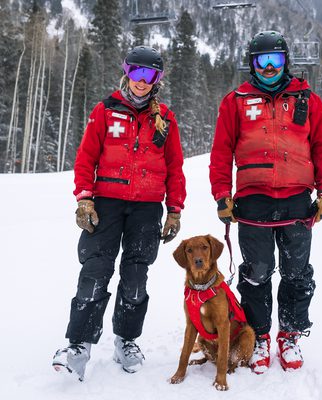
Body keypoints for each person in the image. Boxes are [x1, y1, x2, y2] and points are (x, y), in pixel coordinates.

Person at [52, 46, 186, 380]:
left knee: (136, 276)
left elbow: (175, 167)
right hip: (106, 204)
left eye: (149, 75)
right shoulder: (106, 110)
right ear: (127, 73)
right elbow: (86, 158)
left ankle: (126, 340)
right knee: (95, 271)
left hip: (147, 208)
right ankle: (79, 345)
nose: (142, 81)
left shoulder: (165, 119)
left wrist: (174, 209)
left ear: (157, 80)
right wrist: (84, 199)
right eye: (137, 72)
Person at [209, 31, 322, 373]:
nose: (269, 67)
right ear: (252, 64)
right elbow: (221, 151)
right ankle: (259, 335)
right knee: (257, 273)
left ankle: (290, 335)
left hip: (297, 199)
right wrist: (222, 194)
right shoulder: (235, 101)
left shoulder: (307, 99)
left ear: (286, 62)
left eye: (275, 60)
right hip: (253, 200)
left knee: (297, 272)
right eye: (262, 61)